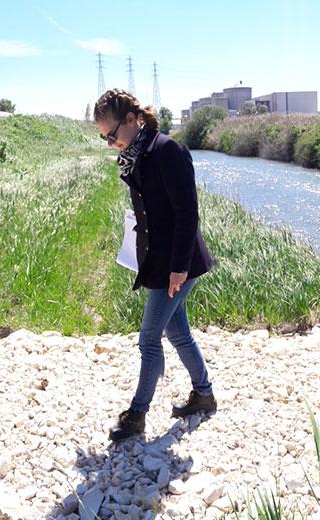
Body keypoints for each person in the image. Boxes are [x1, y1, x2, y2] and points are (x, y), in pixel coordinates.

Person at [93, 89, 217, 442]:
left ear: (132, 120)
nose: (109, 143)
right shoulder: (136, 155)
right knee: (176, 332)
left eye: (111, 134)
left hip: (179, 262)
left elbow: (187, 213)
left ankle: (137, 415)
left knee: (148, 338)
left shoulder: (167, 150)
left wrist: (178, 268)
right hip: (159, 259)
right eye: (105, 137)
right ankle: (204, 395)